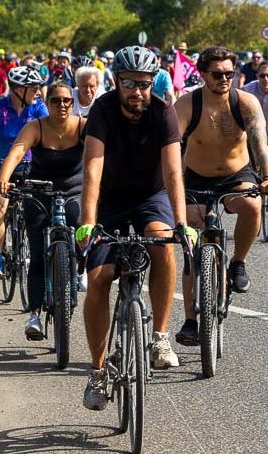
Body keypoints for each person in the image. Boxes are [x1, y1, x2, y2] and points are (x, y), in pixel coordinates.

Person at [76, 46, 189, 410]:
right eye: (129, 83)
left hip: (149, 197)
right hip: (107, 200)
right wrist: (88, 223)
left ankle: (158, 336)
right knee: (98, 279)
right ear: (116, 82)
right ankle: (97, 371)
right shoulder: (103, 109)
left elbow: (173, 172)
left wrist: (183, 223)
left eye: (144, 84)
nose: (136, 92)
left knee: (162, 244)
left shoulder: (163, 111)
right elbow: (92, 168)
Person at [174, 46, 268, 344]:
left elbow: (260, 143)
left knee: (252, 205)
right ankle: (191, 321)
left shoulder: (245, 102)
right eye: (218, 74)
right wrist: (168, 185)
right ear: (203, 74)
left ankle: (238, 262)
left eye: (230, 74)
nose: (224, 79)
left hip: (236, 175)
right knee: (193, 251)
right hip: (195, 178)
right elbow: (171, 147)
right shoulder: (186, 105)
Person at [0, 82, 85, 339]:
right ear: (47, 103)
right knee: (37, 255)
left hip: (73, 190)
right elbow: (17, 152)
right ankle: (34, 314)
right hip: (40, 190)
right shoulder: (36, 126)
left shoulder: (82, 126)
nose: (62, 105)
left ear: (72, 103)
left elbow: (103, 153)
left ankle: (79, 268)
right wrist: (3, 178)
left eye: (67, 101)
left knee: (83, 224)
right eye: (56, 101)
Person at [0, 67, 48, 278]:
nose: (38, 92)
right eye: (34, 88)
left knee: (41, 208)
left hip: (31, 166)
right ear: (19, 89)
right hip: (3, 167)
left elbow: (50, 130)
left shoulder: (38, 108)